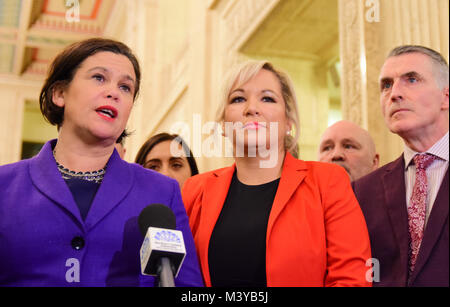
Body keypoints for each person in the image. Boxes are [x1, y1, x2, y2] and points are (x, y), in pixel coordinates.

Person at [0, 38, 203, 287]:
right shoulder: (4, 186)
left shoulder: (161, 192)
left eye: (126, 87)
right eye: (99, 78)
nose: (113, 92)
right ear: (59, 93)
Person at [182, 60, 371, 287]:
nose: (251, 108)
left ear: (288, 122)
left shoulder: (328, 181)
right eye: (238, 99)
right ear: (223, 124)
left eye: (267, 98)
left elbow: (352, 279)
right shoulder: (195, 191)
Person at [352, 45, 449, 287]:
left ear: (446, 97)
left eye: (412, 80)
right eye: (386, 85)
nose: (394, 93)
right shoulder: (362, 191)